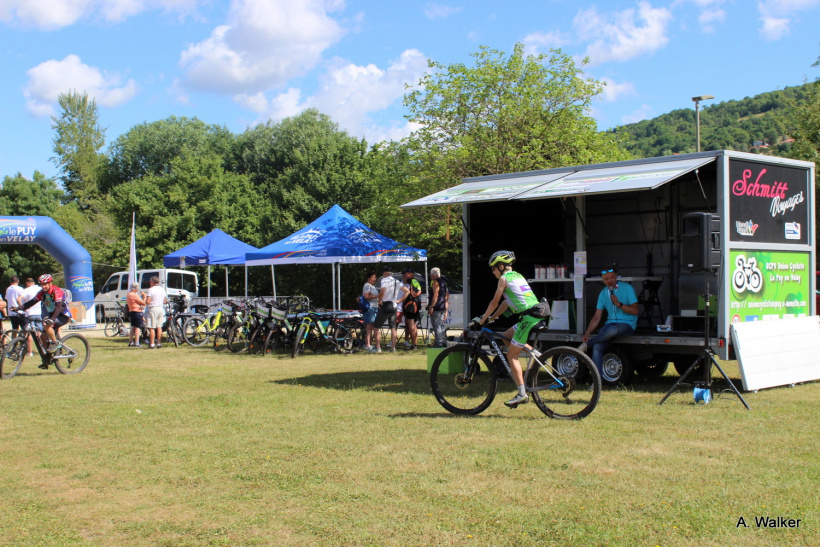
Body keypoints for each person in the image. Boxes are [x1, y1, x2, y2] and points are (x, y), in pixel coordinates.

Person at [478, 251, 550, 408]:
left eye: (493, 268)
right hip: (536, 313)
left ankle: (521, 393)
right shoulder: (517, 275)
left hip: (529, 317)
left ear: (501, 266)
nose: (492, 272)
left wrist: (482, 320)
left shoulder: (503, 279)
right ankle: (536, 354)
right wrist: (493, 318)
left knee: (512, 356)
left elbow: (494, 302)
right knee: (506, 336)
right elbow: (505, 303)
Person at [581, 267, 639, 379]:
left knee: (612, 331)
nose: (610, 281)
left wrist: (619, 305)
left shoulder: (627, 288)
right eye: (606, 279)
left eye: (612, 278)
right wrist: (587, 333)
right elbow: (597, 317)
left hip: (627, 324)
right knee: (598, 346)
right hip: (610, 324)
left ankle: (587, 345)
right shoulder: (603, 293)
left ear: (616, 277)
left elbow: (635, 311)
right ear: (603, 280)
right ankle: (597, 380)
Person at [13, 274, 70, 368]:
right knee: (43, 336)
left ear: (50, 283)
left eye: (45, 284)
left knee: (46, 325)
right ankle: (47, 359)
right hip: (52, 316)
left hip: (62, 315)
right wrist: (19, 308)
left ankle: (55, 343)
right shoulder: (42, 292)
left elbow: (59, 307)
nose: (43, 286)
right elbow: (32, 302)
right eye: (42, 284)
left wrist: (52, 319)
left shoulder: (57, 291)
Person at [372, 266, 402, 353]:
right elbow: (406, 291)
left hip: (386, 305)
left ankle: (378, 348)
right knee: (393, 327)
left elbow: (382, 291)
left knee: (376, 326)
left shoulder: (384, 280)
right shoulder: (397, 281)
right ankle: (393, 347)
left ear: (385, 273)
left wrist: (379, 301)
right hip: (394, 305)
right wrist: (399, 300)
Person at [399, 268, 422, 350]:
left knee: (411, 326)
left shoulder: (409, 282)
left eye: (404, 273)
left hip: (409, 306)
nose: (403, 275)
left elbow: (406, 294)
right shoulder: (416, 281)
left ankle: (414, 345)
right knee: (414, 326)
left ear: (409, 274)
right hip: (416, 305)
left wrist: (402, 303)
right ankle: (415, 344)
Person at [18, 278, 42, 356]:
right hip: (39, 312)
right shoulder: (40, 289)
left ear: (28, 283)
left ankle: (30, 351)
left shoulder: (26, 290)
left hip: (29, 313)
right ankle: (43, 349)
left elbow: (19, 299)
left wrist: (22, 307)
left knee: (29, 332)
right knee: (39, 332)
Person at [427, 267, 449, 348]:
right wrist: (446, 309)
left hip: (437, 306)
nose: (430, 276)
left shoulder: (435, 282)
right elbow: (446, 295)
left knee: (436, 324)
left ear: (433, 275)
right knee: (440, 324)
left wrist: (432, 306)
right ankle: (443, 341)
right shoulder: (443, 282)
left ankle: (438, 342)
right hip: (442, 305)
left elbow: (435, 294)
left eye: (430, 275)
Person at [144, 276, 167, 349]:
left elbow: (148, 301)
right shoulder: (162, 290)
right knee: (159, 327)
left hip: (153, 308)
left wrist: (145, 301)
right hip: (161, 308)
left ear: (153, 282)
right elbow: (165, 301)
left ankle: (152, 344)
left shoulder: (151, 290)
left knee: (151, 327)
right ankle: (159, 343)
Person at [361, 271, 379, 351]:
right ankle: (368, 344)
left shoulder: (372, 286)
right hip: (370, 308)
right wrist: (378, 295)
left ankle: (370, 344)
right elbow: (366, 296)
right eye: (372, 277)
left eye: (375, 277)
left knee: (372, 327)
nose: (374, 279)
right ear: (368, 278)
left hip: (375, 307)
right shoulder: (367, 286)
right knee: (369, 327)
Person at [126, 282, 147, 347]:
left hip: (131, 311)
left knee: (133, 327)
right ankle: (137, 342)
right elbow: (143, 303)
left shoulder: (128, 294)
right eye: (138, 287)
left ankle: (130, 341)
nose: (138, 288)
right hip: (137, 312)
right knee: (138, 327)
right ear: (135, 288)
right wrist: (144, 296)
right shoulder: (134, 295)